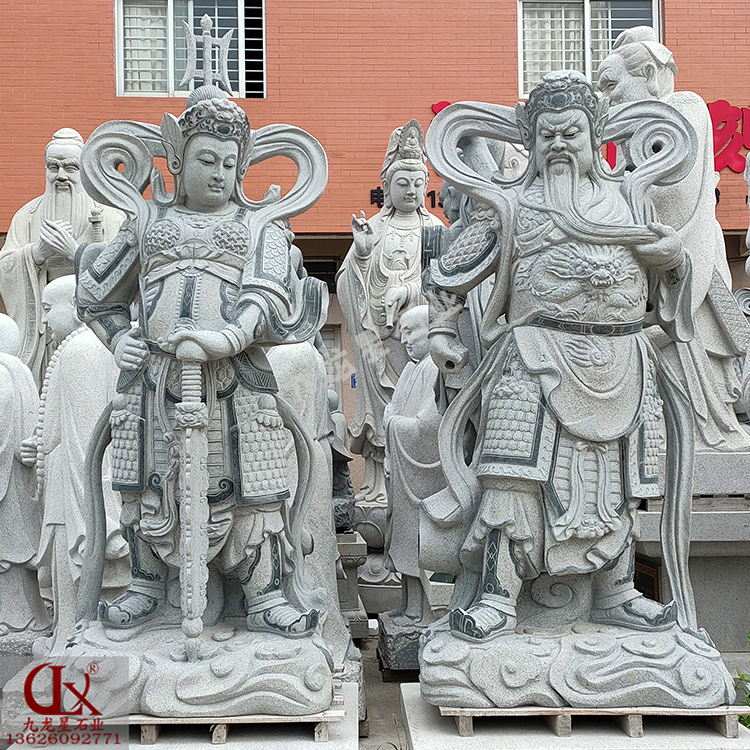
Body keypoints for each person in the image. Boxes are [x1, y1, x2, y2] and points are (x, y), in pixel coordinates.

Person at [425, 71, 696, 641]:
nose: (558, 145)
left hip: (621, 356)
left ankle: (617, 592)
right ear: (530, 141)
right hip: (534, 354)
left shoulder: (628, 199)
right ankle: (498, 596)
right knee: (510, 475)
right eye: (545, 135)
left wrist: (673, 260)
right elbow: (448, 276)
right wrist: (443, 329)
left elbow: (667, 283)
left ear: (595, 136)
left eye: (571, 132)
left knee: (618, 483)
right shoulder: (512, 205)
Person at [75, 84, 329, 638]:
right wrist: (118, 340)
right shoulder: (147, 223)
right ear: (178, 158)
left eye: (229, 164)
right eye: (206, 160)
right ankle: (146, 585)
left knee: (256, 485)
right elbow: (96, 295)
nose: (218, 174)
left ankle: (264, 593)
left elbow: (269, 295)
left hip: (236, 379)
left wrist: (231, 336)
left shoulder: (259, 225)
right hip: (155, 379)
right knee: (144, 481)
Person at [597, 28, 750, 452]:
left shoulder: (682, 109)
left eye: (611, 85)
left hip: (685, 264)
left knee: (685, 378)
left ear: (648, 75)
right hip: (654, 277)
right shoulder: (634, 135)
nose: (606, 98)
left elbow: (673, 199)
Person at [336, 120, 444, 507]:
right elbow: (347, 281)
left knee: (418, 404)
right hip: (380, 337)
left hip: (421, 340)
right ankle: (378, 482)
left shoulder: (435, 230)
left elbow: (443, 285)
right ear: (387, 186)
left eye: (418, 183)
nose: (412, 190)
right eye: (403, 183)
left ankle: (418, 478)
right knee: (382, 406)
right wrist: (363, 253)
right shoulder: (374, 229)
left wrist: (410, 290)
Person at [20, 276, 128, 654]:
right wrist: (41, 446)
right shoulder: (81, 348)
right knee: (63, 558)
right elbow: (60, 427)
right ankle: (65, 633)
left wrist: (97, 521)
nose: (43, 322)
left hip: (77, 482)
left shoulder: (83, 349)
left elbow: (87, 440)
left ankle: (71, 639)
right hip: (66, 472)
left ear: (77, 307)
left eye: (49, 310)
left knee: (71, 554)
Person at [0, 129, 123, 383]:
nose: (61, 175)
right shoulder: (26, 216)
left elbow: (125, 273)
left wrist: (76, 253)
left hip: (92, 332)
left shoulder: (110, 215)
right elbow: (4, 268)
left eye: (70, 167)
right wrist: (35, 254)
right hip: (44, 332)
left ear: (84, 170)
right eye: (53, 167)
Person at [383, 305, 443, 627]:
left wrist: (392, 424)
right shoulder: (410, 370)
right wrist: (392, 423)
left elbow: (428, 426)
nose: (404, 340)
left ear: (430, 330)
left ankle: (422, 610)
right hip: (402, 468)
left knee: (419, 542)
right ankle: (406, 603)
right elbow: (391, 409)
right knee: (402, 540)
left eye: (410, 331)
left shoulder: (435, 368)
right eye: (402, 333)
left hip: (422, 474)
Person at [0, 314, 50, 636]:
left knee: (7, 551)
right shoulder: (22, 372)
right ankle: (30, 615)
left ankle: (11, 617)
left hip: (7, 479)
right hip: (21, 477)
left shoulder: (2, 372)